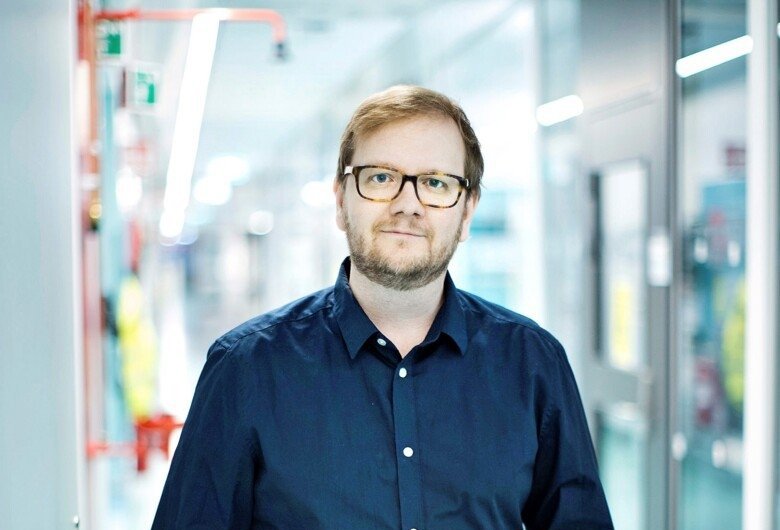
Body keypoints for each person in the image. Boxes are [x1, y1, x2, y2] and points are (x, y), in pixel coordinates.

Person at [152, 85, 614, 529]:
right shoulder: (246, 369)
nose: (407, 204)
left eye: (435, 183)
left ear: (467, 211)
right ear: (340, 200)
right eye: (381, 178)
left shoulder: (532, 363)